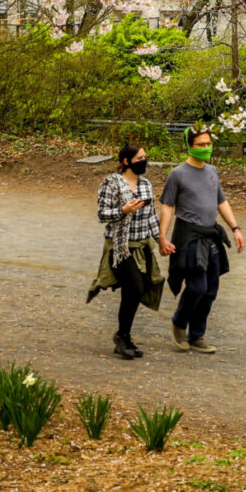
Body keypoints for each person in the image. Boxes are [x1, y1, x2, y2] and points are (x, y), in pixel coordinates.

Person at [159, 128, 246, 353]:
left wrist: (235, 228)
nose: (206, 148)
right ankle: (179, 323)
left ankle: (197, 335)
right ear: (189, 146)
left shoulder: (212, 171)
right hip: (189, 237)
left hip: (210, 235)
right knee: (197, 287)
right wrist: (162, 236)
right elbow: (168, 207)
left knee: (210, 289)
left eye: (208, 143)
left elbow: (221, 202)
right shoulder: (177, 174)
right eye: (200, 144)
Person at [86, 144, 167, 359]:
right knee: (135, 287)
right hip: (119, 247)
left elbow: (151, 216)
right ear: (126, 161)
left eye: (145, 157)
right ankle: (123, 336)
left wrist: (161, 240)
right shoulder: (111, 184)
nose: (144, 161)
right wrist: (124, 210)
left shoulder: (146, 185)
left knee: (135, 291)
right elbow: (102, 215)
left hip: (141, 246)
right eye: (140, 157)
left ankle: (124, 336)